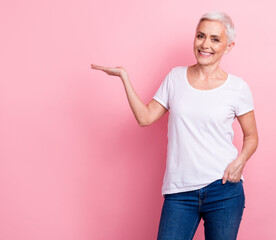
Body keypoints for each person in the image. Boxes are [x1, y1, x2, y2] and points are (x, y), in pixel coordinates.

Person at [91, 10, 258, 240]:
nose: (205, 44)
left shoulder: (237, 88)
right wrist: (124, 78)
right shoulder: (175, 78)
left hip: (224, 191)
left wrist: (240, 161)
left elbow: (251, 137)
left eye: (215, 39)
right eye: (200, 36)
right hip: (180, 193)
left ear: (228, 46)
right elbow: (145, 117)